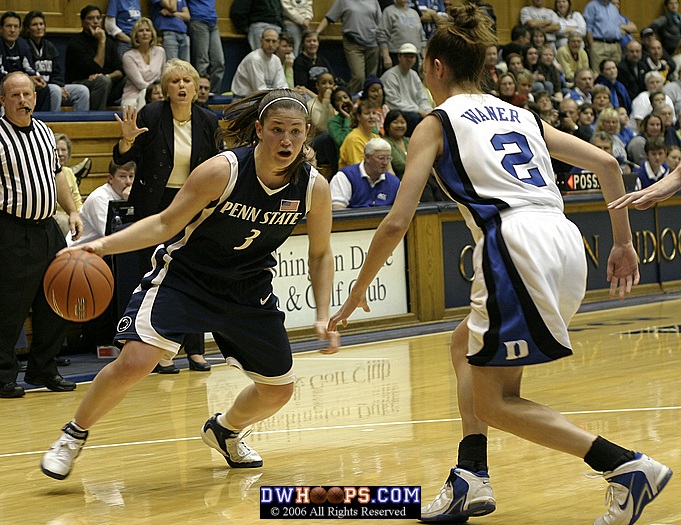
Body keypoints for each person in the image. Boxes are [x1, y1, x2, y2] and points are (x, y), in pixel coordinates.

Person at [328, 6, 672, 524]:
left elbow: (397, 223)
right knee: (462, 343)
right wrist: (622, 244)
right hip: (565, 240)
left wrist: (355, 296)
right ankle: (471, 477)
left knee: (496, 404)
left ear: (437, 67)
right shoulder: (522, 114)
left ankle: (625, 466)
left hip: (514, 244)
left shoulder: (435, 123)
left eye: (425, 67)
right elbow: (606, 162)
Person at [40, 87, 339, 480]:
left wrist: (322, 314)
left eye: (296, 132)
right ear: (259, 130)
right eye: (277, 129)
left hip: (247, 287)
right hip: (187, 277)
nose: (286, 140)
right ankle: (72, 435)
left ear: (306, 136)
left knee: (278, 390)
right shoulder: (223, 170)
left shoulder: (313, 187)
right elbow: (165, 224)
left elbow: (320, 253)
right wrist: (100, 245)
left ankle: (225, 430)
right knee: (134, 362)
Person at [113, 58, 218, 373]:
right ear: (165, 88)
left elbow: (219, 164)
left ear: (196, 86)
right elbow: (124, 157)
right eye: (175, 81)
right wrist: (128, 137)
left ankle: (196, 350)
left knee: (195, 272)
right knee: (158, 275)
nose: (183, 86)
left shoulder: (208, 120)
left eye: (187, 80)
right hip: (157, 204)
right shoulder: (152, 115)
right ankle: (160, 352)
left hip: (194, 203)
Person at [0, 71, 84, 398]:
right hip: (11, 229)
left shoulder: (46, 132)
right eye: (15, 95)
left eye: (28, 94)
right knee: (10, 308)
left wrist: (73, 211)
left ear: (35, 97)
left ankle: (43, 368)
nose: (23, 100)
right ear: (3, 101)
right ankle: (4, 376)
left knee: (58, 299)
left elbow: (58, 175)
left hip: (48, 228)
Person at [21, 11, 90, 112]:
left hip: (53, 85)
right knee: (54, 90)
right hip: (36, 88)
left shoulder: (50, 46)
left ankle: (79, 125)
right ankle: (52, 124)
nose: (39, 27)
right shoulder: (24, 46)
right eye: (34, 25)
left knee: (82, 91)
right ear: (27, 28)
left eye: (41, 24)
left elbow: (57, 72)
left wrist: (60, 86)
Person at [65, 5, 125, 111]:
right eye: (90, 18)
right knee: (103, 81)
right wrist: (101, 41)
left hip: (105, 83)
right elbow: (95, 68)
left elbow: (120, 70)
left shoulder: (110, 42)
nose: (95, 21)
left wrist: (107, 76)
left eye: (98, 18)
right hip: (81, 83)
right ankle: (97, 116)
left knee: (126, 79)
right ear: (82, 22)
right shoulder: (76, 43)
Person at [316, 0, 382, 95]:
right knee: (359, 77)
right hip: (353, 43)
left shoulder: (374, 1)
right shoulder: (343, 1)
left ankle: (368, 105)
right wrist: (316, 32)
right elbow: (329, 18)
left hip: (373, 44)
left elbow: (380, 23)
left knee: (371, 79)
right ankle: (352, 100)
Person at [75, 161, 135, 245]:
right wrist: (128, 202)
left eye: (131, 176)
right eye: (123, 176)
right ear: (110, 178)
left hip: (104, 249)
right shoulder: (99, 198)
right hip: (80, 250)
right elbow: (111, 236)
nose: (129, 182)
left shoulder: (128, 196)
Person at [330, 137, 400, 209]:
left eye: (388, 158)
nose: (385, 163)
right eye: (381, 158)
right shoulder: (345, 177)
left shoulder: (394, 182)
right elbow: (337, 208)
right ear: (367, 157)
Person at [0, 12, 50, 111]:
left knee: (43, 88)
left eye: (16, 27)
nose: (12, 30)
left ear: (20, 29)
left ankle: (38, 119)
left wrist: (37, 78)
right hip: (3, 82)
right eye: (9, 26)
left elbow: (29, 68)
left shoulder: (23, 45)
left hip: (20, 81)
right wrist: (23, 80)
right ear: (1, 29)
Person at [381, 43, 432, 135]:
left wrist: (429, 112)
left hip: (415, 112)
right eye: (406, 56)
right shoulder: (390, 76)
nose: (409, 59)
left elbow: (422, 98)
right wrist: (419, 111)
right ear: (399, 57)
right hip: (397, 112)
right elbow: (393, 102)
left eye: (412, 57)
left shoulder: (414, 75)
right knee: (414, 117)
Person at [121, 17, 166, 109]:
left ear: (152, 34)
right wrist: (154, 92)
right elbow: (140, 84)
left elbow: (163, 76)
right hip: (133, 97)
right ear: (135, 35)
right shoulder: (128, 56)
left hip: (157, 95)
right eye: (141, 31)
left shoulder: (160, 51)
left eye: (148, 30)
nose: (145, 33)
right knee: (143, 94)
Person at [231, 28, 288, 99]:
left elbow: (281, 86)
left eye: (274, 41)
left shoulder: (276, 60)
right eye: (267, 40)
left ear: (278, 43)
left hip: (263, 99)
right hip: (243, 100)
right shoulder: (254, 59)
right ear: (261, 41)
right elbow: (259, 90)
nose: (270, 44)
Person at [377, 0, 427, 74]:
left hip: (413, 55)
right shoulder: (388, 12)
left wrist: (424, 57)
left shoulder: (414, 13)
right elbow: (382, 35)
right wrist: (386, 56)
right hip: (395, 54)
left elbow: (422, 35)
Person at [186, 0, 225, 94]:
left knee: (219, 62)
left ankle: (211, 92)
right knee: (202, 61)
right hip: (198, 19)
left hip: (213, 21)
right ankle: (199, 93)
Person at [53, 133, 84, 236]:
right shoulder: (44, 173)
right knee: (63, 221)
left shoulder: (68, 172)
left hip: (70, 215)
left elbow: (76, 199)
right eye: (56, 150)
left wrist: (80, 213)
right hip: (54, 217)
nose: (60, 154)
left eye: (64, 150)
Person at [339, 99, 380, 168]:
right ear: (359, 117)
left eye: (374, 113)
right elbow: (359, 169)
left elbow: (387, 166)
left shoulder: (376, 137)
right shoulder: (353, 139)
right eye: (367, 113)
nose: (371, 117)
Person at [583, 0, 623, 69]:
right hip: (599, 45)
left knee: (615, 73)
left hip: (615, 45)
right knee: (599, 73)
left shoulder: (613, 8)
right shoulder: (591, 6)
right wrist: (593, 46)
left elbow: (618, 26)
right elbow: (588, 28)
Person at [293, 29, 335, 94]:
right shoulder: (299, 61)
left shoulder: (322, 59)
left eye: (314, 41)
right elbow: (302, 87)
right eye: (308, 41)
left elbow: (333, 78)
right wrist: (318, 99)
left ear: (318, 43)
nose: (312, 43)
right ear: (303, 44)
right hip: (309, 95)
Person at [382, 109, 409, 178]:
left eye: (402, 122)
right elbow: (400, 165)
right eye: (395, 122)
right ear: (388, 125)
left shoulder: (409, 141)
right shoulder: (384, 143)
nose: (399, 125)